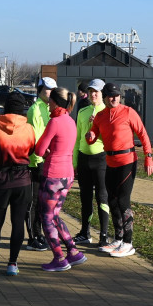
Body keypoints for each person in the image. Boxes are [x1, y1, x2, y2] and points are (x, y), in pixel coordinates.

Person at [85, 83, 153, 258]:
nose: (114, 98)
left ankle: (128, 243)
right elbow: (92, 136)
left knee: (123, 202)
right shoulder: (100, 116)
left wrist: (149, 157)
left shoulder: (128, 112)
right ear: (105, 97)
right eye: (111, 96)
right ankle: (118, 239)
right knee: (112, 201)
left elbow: (143, 134)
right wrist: (90, 136)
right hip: (110, 162)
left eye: (117, 95)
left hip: (127, 161)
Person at [34, 87, 87, 272]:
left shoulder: (55, 121)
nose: (48, 104)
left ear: (55, 102)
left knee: (46, 217)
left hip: (53, 175)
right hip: (67, 175)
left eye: (49, 101)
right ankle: (73, 252)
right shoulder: (70, 121)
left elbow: (39, 150)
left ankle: (59, 257)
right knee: (55, 215)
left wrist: (45, 150)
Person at [0, 92, 34, 277]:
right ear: (21, 109)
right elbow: (32, 149)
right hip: (22, 180)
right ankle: (12, 263)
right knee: (18, 222)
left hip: (0, 179)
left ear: (5, 107)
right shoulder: (28, 128)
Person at [73, 78, 110, 246]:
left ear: (102, 94)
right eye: (90, 91)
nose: (93, 94)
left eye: (96, 92)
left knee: (102, 197)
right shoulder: (82, 111)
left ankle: (103, 235)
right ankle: (85, 232)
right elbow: (77, 138)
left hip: (101, 160)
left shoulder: (108, 112)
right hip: (83, 159)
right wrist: (74, 163)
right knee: (85, 198)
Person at [24, 77, 57, 251]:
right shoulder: (35, 109)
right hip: (36, 161)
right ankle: (32, 237)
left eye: (53, 90)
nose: (50, 93)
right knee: (33, 201)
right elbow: (36, 136)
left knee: (42, 200)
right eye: (47, 89)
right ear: (39, 89)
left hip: (45, 160)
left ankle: (38, 234)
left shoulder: (48, 108)